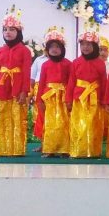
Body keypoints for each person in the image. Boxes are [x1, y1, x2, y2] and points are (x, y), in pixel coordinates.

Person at [0, 6, 31, 157]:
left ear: (18, 32)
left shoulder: (25, 51)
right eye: (5, 29)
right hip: (2, 87)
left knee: (17, 117)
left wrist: (24, 91)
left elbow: (26, 72)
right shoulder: (0, 51)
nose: (8, 32)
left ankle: (17, 149)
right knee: (2, 117)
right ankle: (2, 149)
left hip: (17, 88)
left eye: (12, 29)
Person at [66, 25, 108, 158]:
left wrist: (104, 100)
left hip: (95, 99)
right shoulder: (76, 62)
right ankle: (79, 150)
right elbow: (71, 82)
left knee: (93, 124)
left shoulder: (100, 63)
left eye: (89, 44)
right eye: (83, 44)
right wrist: (68, 99)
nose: (85, 47)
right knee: (79, 124)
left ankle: (93, 151)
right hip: (79, 99)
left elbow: (104, 82)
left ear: (95, 46)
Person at [35, 27, 71, 157]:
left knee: (63, 122)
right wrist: (39, 100)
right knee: (50, 123)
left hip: (63, 97)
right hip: (49, 97)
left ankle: (64, 148)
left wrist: (69, 99)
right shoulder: (45, 65)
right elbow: (41, 83)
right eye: (51, 47)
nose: (54, 49)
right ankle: (49, 148)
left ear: (62, 49)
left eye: (57, 47)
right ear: (47, 49)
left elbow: (71, 82)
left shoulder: (68, 64)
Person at [30, 50, 49, 153]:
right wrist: (31, 93)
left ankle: (54, 144)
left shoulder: (63, 61)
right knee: (39, 117)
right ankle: (43, 144)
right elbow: (32, 79)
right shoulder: (38, 60)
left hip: (53, 90)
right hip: (39, 90)